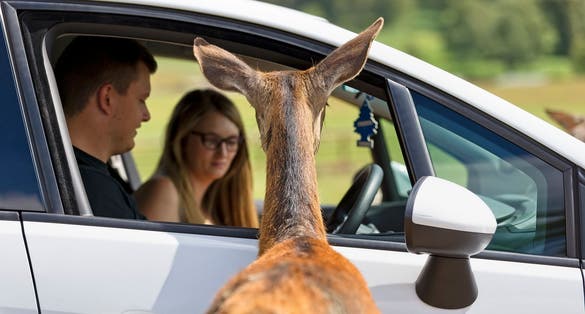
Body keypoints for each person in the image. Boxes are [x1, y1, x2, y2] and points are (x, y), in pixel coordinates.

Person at [54, 36, 157, 219]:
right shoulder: (95, 189)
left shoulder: (78, 177)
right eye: (141, 100)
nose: (147, 115)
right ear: (107, 98)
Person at [135, 89, 258, 228]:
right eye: (211, 140)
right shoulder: (163, 190)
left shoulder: (213, 204)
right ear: (182, 140)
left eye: (231, 141)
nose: (223, 153)